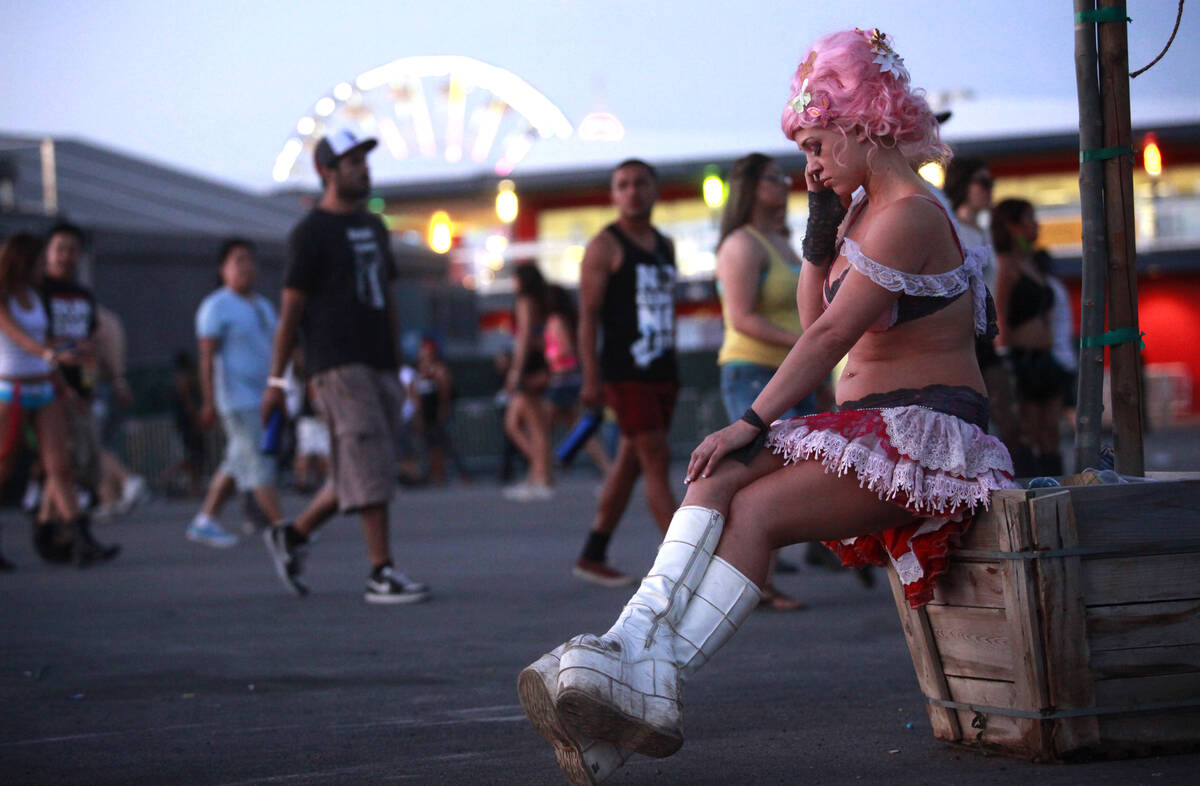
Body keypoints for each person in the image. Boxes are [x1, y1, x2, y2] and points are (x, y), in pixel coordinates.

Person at [518, 29, 1015, 782]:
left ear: (861, 125)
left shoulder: (911, 211)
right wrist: (820, 238)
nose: (810, 167)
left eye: (816, 145)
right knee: (715, 476)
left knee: (755, 510)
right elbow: (821, 316)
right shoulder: (862, 212)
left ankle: (649, 684)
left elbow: (825, 339)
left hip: (926, 431)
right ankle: (625, 663)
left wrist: (750, 419)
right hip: (870, 426)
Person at [260, 129, 429, 604]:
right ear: (326, 172)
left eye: (364, 159)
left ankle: (293, 535)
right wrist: (277, 380)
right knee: (368, 456)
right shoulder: (310, 232)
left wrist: (400, 367)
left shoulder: (373, 227)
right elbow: (291, 309)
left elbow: (389, 298)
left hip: (378, 362)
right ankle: (381, 572)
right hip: (336, 363)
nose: (363, 168)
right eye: (352, 161)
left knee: (360, 463)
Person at [714, 152, 817, 611]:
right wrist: (806, 342)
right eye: (774, 179)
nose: (785, 184)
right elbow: (742, 318)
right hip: (753, 371)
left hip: (790, 371)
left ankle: (758, 579)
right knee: (763, 478)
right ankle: (752, 581)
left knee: (781, 477)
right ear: (753, 188)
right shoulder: (742, 244)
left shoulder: (780, 241)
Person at [572, 159, 680, 587]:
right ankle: (687, 564)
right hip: (625, 371)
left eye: (640, 183)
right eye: (623, 185)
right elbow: (587, 316)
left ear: (654, 190)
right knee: (654, 457)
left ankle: (593, 551)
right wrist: (591, 376)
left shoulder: (665, 244)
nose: (632, 191)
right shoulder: (604, 246)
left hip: (663, 369)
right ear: (613, 195)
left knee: (631, 462)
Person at [0, 233, 118, 568]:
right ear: (23, 262)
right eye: (39, 261)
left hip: (45, 388)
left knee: (60, 466)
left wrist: (69, 352)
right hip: (12, 390)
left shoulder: (35, 296)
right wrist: (51, 353)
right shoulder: (5, 297)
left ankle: (82, 539)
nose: (44, 267)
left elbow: (43, 338)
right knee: (5, 467)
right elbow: (18, 337)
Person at [185, 239, 286, 548]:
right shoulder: (216, 306)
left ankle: (205, 520)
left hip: (263, 397)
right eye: (238, 260)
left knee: (236, 461)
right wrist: (209, 401)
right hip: (237, 399)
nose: (246, 267)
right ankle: (284, 528)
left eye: (250, 260)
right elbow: (206, 357)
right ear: (223, 269)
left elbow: (280, 348)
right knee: (258, 462)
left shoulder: (263, 306)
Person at [943, 157, 1032, 475]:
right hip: (959, 335)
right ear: (963, 185)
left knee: (1002, 411)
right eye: (983, 182)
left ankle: (1006, 478)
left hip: (984, 334)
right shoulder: (950, 225)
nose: (989, 189)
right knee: (970, 412)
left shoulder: (983, 231)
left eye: (991, 182)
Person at [992, 198, 1068, 477]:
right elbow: (1000, 315)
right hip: (1022, 358)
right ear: (1010, 226)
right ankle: (1036, 489)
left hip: (1045, 355)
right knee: (1030, 431)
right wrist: (1007, 361)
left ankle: (1058, 483)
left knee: (1052, 431)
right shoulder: (1005, 266)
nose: (1035, 225)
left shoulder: (1032, 263)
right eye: (1028, 219)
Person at [39, 223, 104, 514]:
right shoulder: (37, 293)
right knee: (63, 462)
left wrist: (90, 386)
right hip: (47, 388)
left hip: (80, 388)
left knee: (85, 464)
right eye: (59, 248)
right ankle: (63, 529)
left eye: (72, 249)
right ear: (47, 252)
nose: (65, 256)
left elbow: (91, 347)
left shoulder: (84, 295)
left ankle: (57, 526)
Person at [543, 284, 611, 476]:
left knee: (541, 427)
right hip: (570, 377)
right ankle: (606, 468)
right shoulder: (567, 318)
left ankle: (544, 470)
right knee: (578, 426)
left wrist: (550, 356)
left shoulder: (555, 320)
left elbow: (564, 348)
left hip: (562, 378)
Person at [502, 264, 554, 501]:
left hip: (529, 364)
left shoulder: (525, 302)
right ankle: (538, 472)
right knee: (521, 422)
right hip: (536, 362)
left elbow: (524, 337)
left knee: (533, 424)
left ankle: (541, 476)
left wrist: (516, 370)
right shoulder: (539, 301)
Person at [414, 337, 470, 485]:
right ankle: (435, 475)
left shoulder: (439, 371)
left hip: (439, 414)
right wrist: (418, 415)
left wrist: (443, 411)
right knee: (430, 446)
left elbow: (445, 393)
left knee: (448, 445)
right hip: (427, 416)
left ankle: (463, 474)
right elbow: (416, 397)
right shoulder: (419, 373)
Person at [159, 350, 206, 498]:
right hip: (187, 423)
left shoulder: (181, 378)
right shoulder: (183, 379)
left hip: (186, 422)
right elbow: (188, 403)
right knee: (193, 456)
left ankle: (194, 487)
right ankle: (166, 477)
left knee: (196, 457)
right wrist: (195, 418)